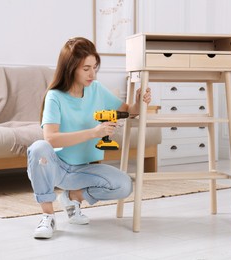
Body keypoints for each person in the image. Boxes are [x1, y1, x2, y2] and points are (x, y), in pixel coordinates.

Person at [27, 37, 151, 239]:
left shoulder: (96, 89)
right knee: (38, 147)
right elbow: (51, 138)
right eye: (86, 68)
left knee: (124, 184)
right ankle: (47, 217)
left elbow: (127, 111)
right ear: (71, 68)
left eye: (95, 67)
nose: (92, 74)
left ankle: (72, 198)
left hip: (83, 169)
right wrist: (94, 133)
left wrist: (139, 103)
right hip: (56, 167)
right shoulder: (55, 96)